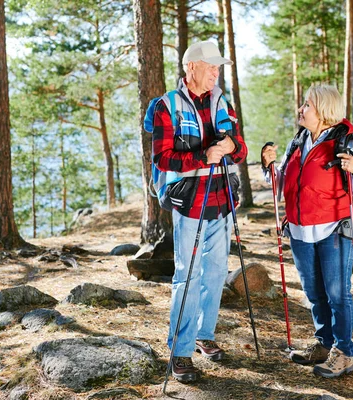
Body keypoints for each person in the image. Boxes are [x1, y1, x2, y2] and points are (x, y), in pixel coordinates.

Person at [261, 84, 353, 378]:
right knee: (314, 294)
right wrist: (269, 167)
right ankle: (324, 344)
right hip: (299, 232)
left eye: (307, 105)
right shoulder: (298, 142)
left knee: (337, 295)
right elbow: (282, 185)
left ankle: (344, 353)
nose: (301, 109)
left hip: (333, 230)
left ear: (323, 110)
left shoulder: (345, 142)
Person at [153, 40, 248, 383]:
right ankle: (180, 351)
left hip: (222, 200)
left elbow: (241, 147)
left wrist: (231, 145)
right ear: (190, 67)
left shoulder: (223, 102)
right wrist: (200, 157)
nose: (215, 73)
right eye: (210, 66)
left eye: (218, 68)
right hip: (190, 203)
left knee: (215, 272)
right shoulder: (167, 106)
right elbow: (161, 158)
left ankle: (205, 335)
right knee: (188, 276)